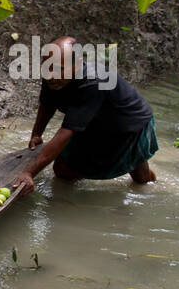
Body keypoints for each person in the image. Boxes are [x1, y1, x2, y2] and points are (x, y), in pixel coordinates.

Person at [15, 36, 158, 193]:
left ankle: (147, 176)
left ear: (76, 65)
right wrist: (37, 133)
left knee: (141, 181)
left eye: (60, 69)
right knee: (63, 171)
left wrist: (29, 173)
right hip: (95, 122)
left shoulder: (91, 82)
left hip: (129, 124)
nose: (51, 75)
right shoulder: (52, 73)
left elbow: (66, 132)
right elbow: (48, 102)